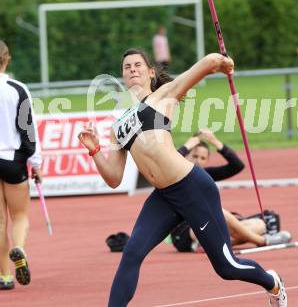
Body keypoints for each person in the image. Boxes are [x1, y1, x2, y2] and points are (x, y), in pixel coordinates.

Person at [78, 48, 287, 306]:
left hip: (192, 188)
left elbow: (208, 63)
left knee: (226, 267)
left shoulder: (163, 97)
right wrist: (95, 150)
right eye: (127, 67)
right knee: (132, 252)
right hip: (164, 197)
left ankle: (272, 282)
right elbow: (114, 178)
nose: (132, 69)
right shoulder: (117, 127)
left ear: (151, 73)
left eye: (137, 65)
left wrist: (224, 61)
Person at [172, 131, 292, 252]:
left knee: (260, 224)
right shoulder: (174, 174)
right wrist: (186, 146)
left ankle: (216, 244)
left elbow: (237, 166)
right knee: (220, 213)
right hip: (186, 233)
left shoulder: (206, 175)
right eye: (195, 156)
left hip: (212, 226)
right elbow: (169, 162)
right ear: (186, 155)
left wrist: (215, 142)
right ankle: (262, 241)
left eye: (203, 158)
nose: (198, 161)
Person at [0, 40, 42, 290]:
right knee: (20, 215)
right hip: (12, 159)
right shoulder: (17, 88)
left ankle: (4, 276)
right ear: (7, 59)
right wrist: (35, 163)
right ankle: (19, 248)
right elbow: (28, 129)